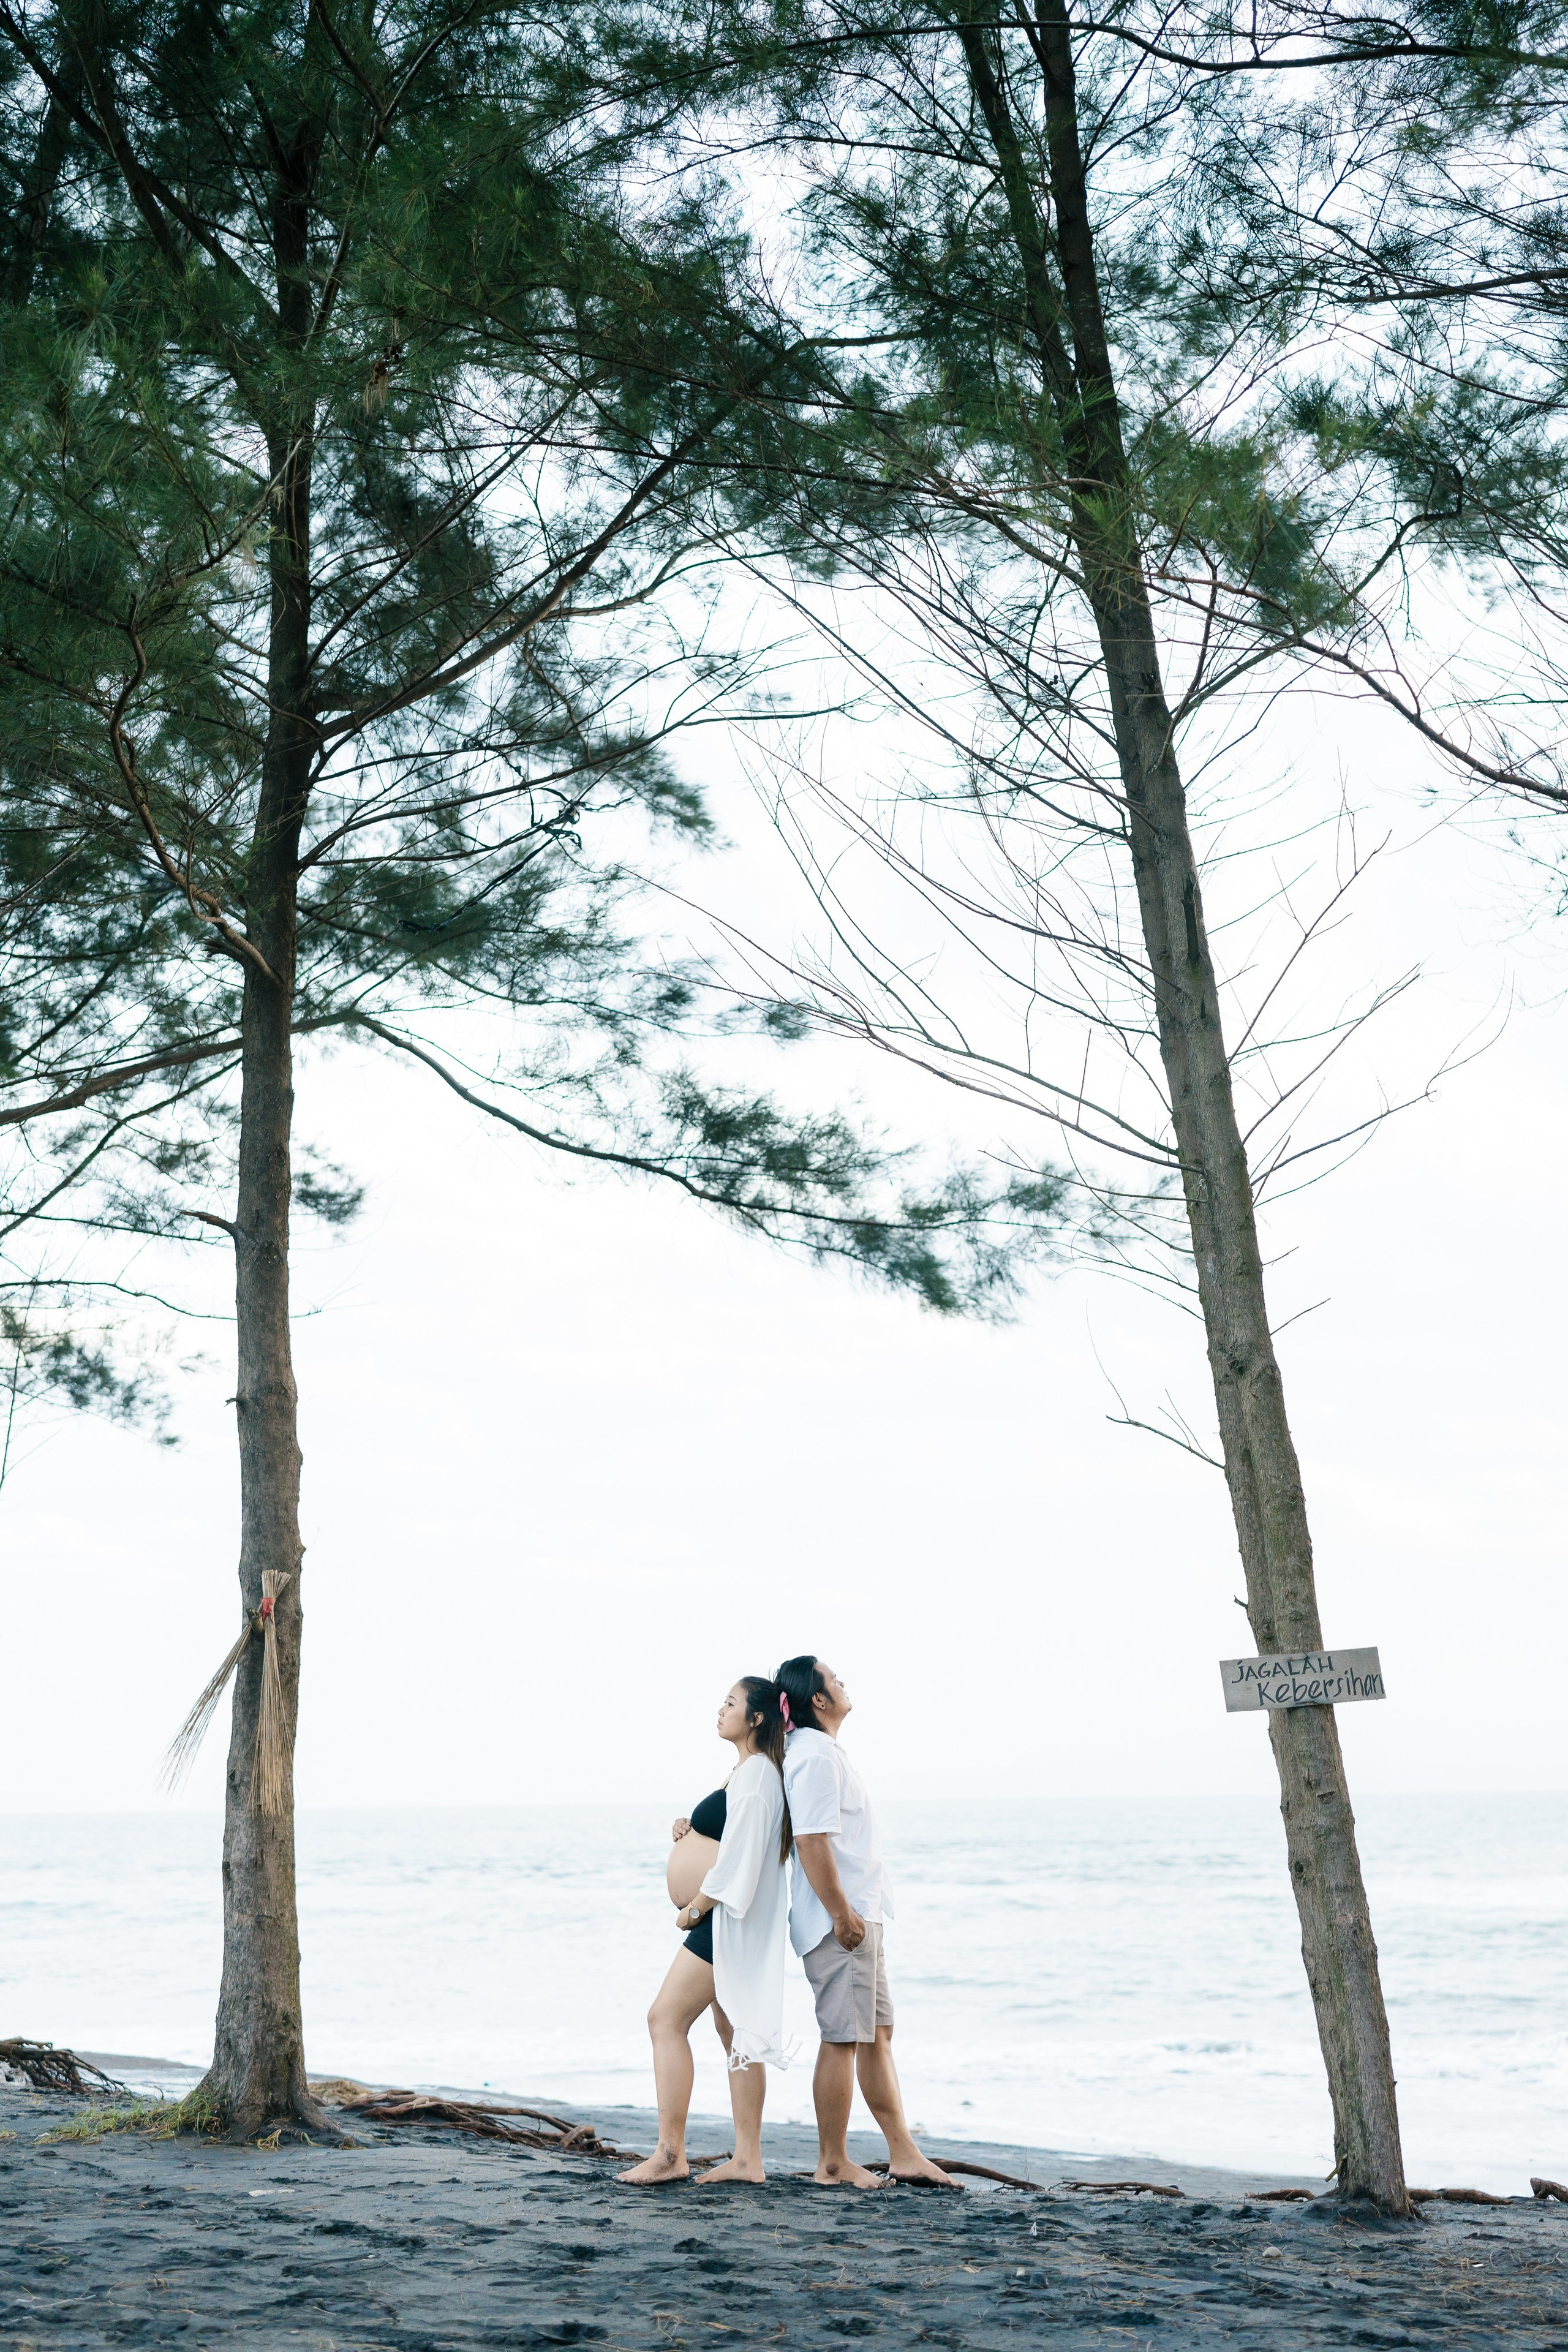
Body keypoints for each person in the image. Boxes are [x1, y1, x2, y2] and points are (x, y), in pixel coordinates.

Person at [775, 1654, 952, 2189]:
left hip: (860, 1916)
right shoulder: (812, 1756)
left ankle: (904, 2152)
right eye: (835, 1678)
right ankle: (832, 2162)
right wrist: (841, 1915)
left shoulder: (826, 1752)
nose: (844, 1682)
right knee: (843, 2038)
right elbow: (810, 1840)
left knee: (877, 2034)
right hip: (841, 1922)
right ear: (818, 1700)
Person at [619, 1677, 793, 2187]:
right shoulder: (747, 1771)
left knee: (664, 2019)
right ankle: (746, 2159)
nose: (721, 1710)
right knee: (733, 2034)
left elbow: (740, 1860)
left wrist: (694, 1907)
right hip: (728, 1920)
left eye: (731, 1703)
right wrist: (690, 1828)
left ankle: (671, 2154)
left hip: (724, 1920)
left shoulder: (760, 1773)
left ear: (757, 1718)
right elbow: (730, 1833)